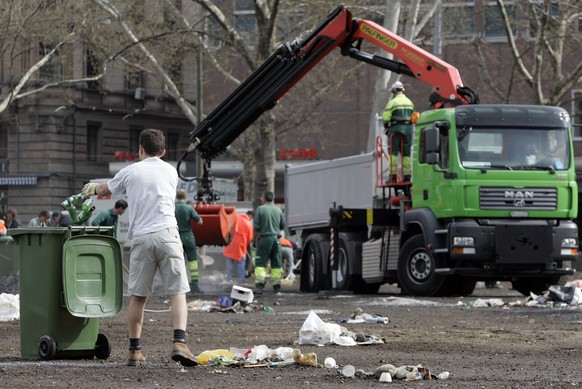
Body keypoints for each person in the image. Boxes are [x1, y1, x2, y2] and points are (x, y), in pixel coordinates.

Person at [80, 128, 198, 368]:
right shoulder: (171, 171)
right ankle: (179, 343)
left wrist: (92, 188)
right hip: (168, 235)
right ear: (163, 151)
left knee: (138, 297)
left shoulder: (130, 171)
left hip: (142, 238)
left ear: (140, 149)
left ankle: (135, 350)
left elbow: (105, 190)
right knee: (177, 292)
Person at [382, 80, 415, 183]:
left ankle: (393, 176)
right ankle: (407, 176)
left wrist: (386, 127)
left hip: (396, 129)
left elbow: (386, 118)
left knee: (393, 153)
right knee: (406, 153)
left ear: (394, 91)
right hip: (408, 129)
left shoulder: (393, 102)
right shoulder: (410, 102)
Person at [253, 191, 285, 294]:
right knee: (276, 262)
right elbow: (282, 226)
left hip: (264, 239)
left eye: (261, 197)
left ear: (264, 198)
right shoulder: (278, 209)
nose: (260, 199)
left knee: (261, 263)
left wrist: (254, 240)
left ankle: (259, 285)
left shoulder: (260, 209)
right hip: (276, 240)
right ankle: (276, 286)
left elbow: (256, 227)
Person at [174, 190, 203, 293]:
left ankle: (180, 284)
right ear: (185, 197)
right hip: (188, 237)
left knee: (178, 261)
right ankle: (194, 284)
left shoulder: (172, 208)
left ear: (176, 196)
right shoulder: (188, 208)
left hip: (176, 237)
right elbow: (199, 221)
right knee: (192, 261)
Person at [223, 212, 253, 285]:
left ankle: (228, 279)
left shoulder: (235, 218)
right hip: (240, 247)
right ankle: (241, 280)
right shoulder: (248, 224)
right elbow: (250, 238)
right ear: (250, 216)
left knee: (229, 264)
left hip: (230, 245)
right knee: (241, 264)